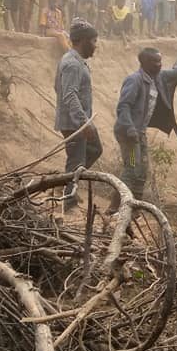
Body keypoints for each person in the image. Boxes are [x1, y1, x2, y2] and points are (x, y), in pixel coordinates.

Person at [110, 46, 177, 210]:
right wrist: (129, 128)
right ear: (144, 63)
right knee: (132, 168)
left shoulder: (159, 77)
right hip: (128, 135)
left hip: (139, 134)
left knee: (142, 173)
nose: (159, 64)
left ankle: (134, 208)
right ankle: (114, 207)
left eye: (160, 61)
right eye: (155, 62)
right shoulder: (134, 80)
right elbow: (123, 107)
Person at [54, 18, 101, 210]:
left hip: (77, 120)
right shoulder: (72, 63)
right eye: (93, 41)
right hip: (75, 123)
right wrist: (83, 122)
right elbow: (69, 94)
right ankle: (68, 201)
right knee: (76, 160)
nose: (95, 46)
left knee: (93, 150)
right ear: (82, 40)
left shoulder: (74, 61)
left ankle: (69, 185)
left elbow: (58, 87)